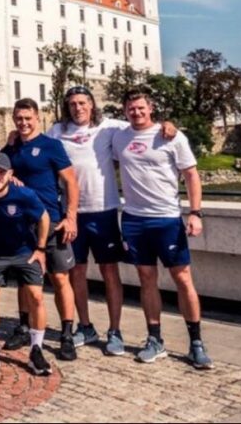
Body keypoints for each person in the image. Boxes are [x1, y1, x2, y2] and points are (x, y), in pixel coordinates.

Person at [48, 86, 175, 356]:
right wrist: (13, 136)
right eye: (72, 104)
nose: (77, 108)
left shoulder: (110, 127)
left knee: (109, 272)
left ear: (92, 105)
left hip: (103, 210)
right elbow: (32, 140)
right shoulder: (57, 131)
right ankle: (85, 326)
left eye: (82, 103)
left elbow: (141, 124)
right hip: (71, 213)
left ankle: (114, 330)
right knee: (77, 272)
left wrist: (168, 124)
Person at [112, 89, 212, 369]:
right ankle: (155, 339)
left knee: (182, 279)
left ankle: (196, 343)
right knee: (146, 280)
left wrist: (195, 212)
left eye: (141, 108)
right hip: (133, 219)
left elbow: (191, 174)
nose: (136, 112)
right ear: (124, 111)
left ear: (151, 108)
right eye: (131, 108)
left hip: (167, 219)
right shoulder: (119, 136)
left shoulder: (171, 136)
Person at [2, 98, 80, 361]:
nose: (23, 123)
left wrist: (71, 217)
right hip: (22, 224)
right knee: (25, 279)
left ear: (37, 118)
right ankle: (24, 326)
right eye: (19, 118)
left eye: (28, 118)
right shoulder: (11, 148)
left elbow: (70, 182)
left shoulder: (51, 145)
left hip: (54, 221)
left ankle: (67, 333)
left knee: (60, 279)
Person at [0, 151, 53, 377]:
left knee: (36, 296)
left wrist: (41, 249)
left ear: (10, 174)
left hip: (25, 252)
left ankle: (37, 348)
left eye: (1, 173)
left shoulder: (24, 194)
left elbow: (44, 218)